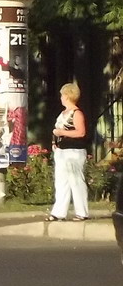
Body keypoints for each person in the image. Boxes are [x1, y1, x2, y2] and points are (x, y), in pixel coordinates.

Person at [47, 82, 90, 222]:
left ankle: (82, 212)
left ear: (67, 96)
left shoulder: (76, 113)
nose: (61, 98)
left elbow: (81, 132)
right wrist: (54, 141)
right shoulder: (62, 113)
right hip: (61, 151)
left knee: (76, 180)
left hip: (74, 151)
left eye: (62, 95)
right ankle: (59, 212)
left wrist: (61, 132)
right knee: (61, 182)